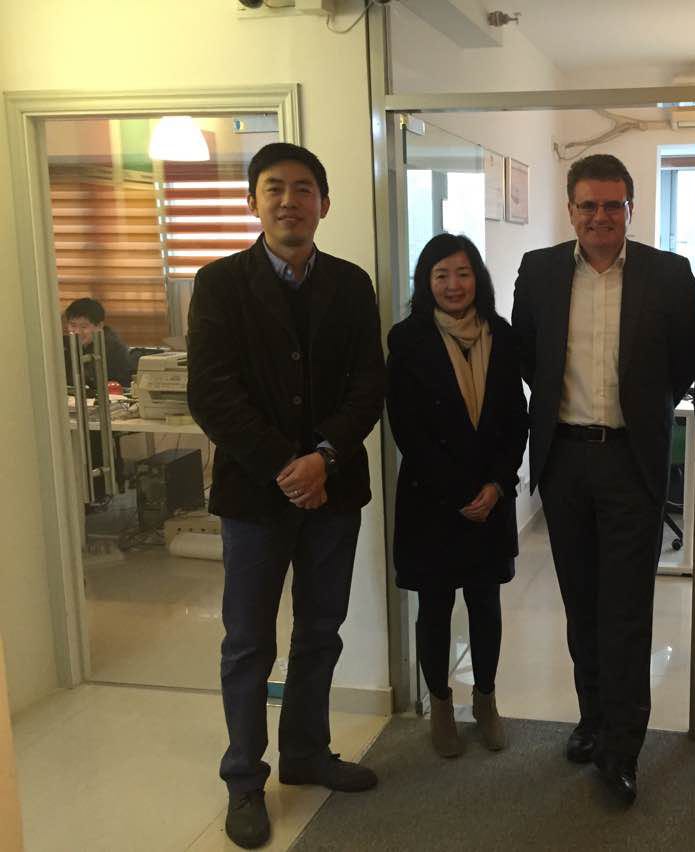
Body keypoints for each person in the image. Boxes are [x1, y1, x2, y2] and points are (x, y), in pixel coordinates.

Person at [186, 142, 386, 850]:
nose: (289, 200)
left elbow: (369, 385)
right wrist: (286, 465)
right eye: (274, 188)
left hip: (335, 491)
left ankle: (305, 752)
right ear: (253, 201)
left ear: (323, 204)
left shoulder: (351, 284)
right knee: (248, 642)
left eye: (303, 189)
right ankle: (245, 778)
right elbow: (211, 393)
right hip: (254, 498)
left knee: (321, 630)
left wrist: (323, 457)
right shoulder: (219, 283)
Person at [511, 153, 695, 805]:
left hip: (630, 462)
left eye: (612, 205)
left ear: (630, 209)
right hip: (564, 461)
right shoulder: (539, 271)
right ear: (570, 209)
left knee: (626, 610)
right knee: (581, 604)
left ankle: (623, 747)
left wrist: (637, 414)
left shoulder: (668, 274)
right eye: (588, 205)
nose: (600, 216)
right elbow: (530, 356)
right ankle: (591, 719)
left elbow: (683, 365)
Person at [387, 232, 528, 758]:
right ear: (426, 282)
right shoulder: (408, 340)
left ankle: (486, 701)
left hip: (491, 497)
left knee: (486, 603)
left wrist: (496, 484)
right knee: (435, 607)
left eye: (463, 273)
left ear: (478, 279)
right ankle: (441, 706)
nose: (453, 285)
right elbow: (408, 428)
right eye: (441, 274)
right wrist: (458, 492)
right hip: (432, 499)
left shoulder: (502, 335)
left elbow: (516, 419)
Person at [63, 297, 133, 386]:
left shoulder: (115, 349)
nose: (77, 332)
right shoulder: (64, 346)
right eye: (73, 325)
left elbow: (122, 386)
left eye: (84, 326)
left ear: (99, 326)